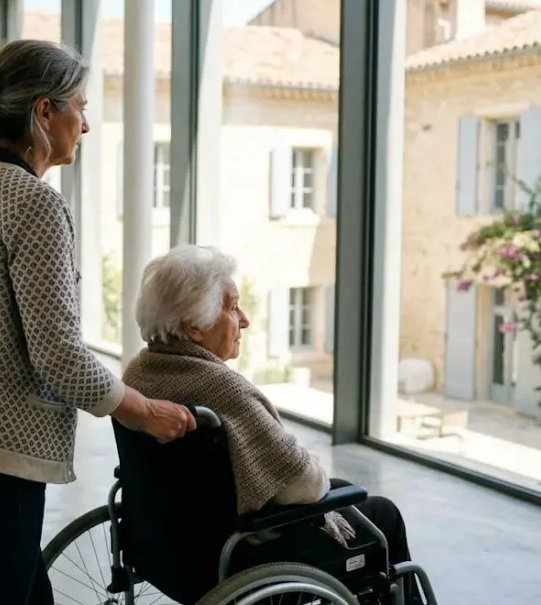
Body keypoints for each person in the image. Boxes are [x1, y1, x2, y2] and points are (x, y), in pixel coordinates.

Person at [0, 39, 196, 605]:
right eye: (79, 107)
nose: (85, 126)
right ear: (44, 111)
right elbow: (56, 354)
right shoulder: (33, 203)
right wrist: (141, 410)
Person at [124, 245, 421, 601]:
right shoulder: (220, 388)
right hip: (237, 555)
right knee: (382, 515)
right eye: (233, 307)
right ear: (194, 327)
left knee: (346, 493)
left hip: (168, 545)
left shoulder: (139, 374)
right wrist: (306, 458)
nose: (245, 320)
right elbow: (303, 485)